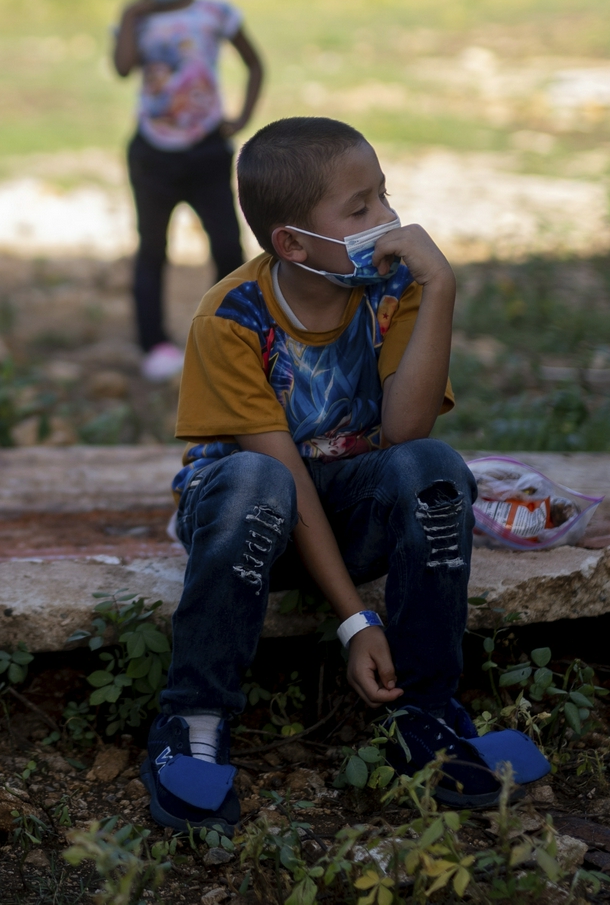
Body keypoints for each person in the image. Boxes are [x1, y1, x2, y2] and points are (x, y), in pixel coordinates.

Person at [137, 115, 492, 832]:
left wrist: (441, 285)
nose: (388, 221)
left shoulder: (396, 290)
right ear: (292, 243)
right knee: (256, 485)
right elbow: (287, 479)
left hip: (348, 509)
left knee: (434, 468)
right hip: (249, 522)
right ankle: (193, 719)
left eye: (384, 197)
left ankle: (428, 709)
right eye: (359, 209)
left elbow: (404, 434)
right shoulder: (231, 316)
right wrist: (356, 619)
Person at [111, 0, 265, 382]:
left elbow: (255, 64)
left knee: (225, 243)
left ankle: (239, 336)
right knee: (151, 249)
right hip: (151, 154)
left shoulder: (215, 12)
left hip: (206, 151)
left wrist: (238, 117)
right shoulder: (135, 18)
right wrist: (132, 15)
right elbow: (121, 67)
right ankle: (154, 344)